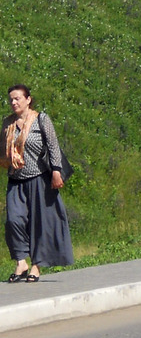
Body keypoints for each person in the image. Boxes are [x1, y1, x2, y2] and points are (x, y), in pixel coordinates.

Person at [3, 84, 74, 283]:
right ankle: (21, 262)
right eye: (11, 99)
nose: (13, 102)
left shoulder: (41, 119)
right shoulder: (7, 124)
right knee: (13, 221)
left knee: (40, 223)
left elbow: (53, 146)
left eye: (17, 98)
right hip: (16, 181)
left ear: (28, 100)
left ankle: (36, 266)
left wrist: (57, 172)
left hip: (39, 179)